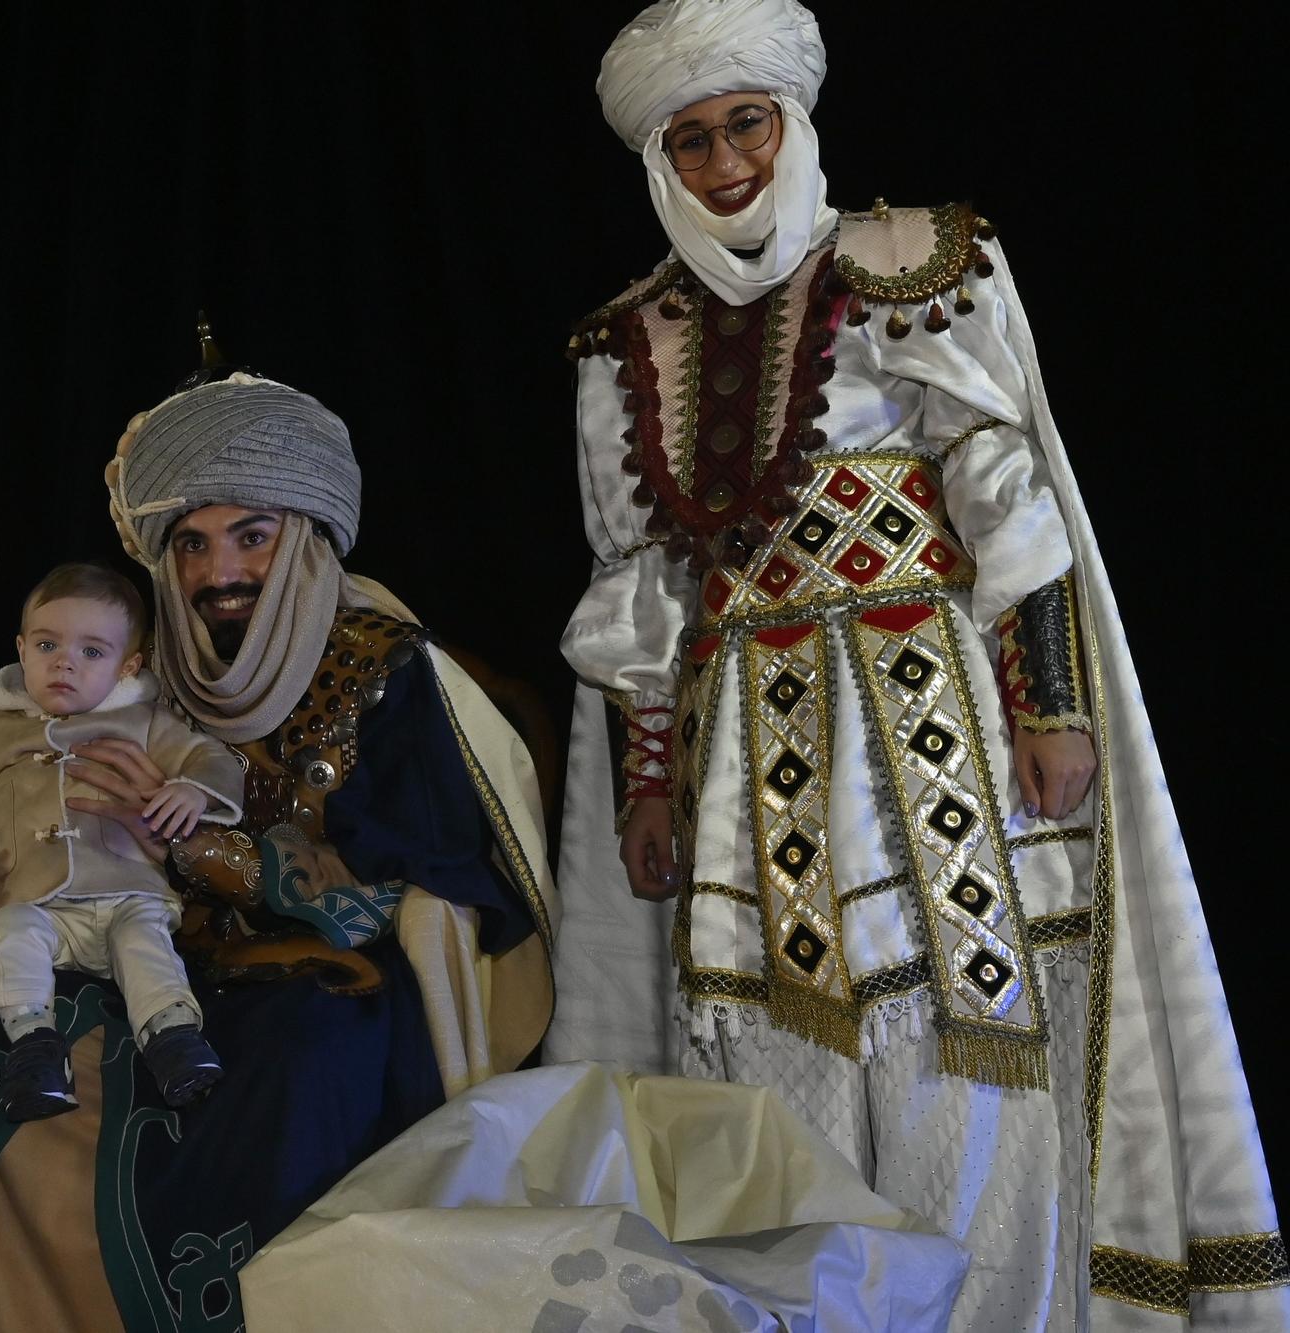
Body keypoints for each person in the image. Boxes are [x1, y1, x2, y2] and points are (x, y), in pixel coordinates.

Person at [547, 2, 1286, 1327]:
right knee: (762, 1062)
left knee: (973, 1047)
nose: (726, 163)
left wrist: (1052, 707)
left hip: (930, 719)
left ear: (794, 121)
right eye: (693, 138)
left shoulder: (914, 261)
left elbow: (1009, 499)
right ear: (658, 158)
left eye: (746, 125)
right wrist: (642, 784)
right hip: (737, 770)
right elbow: (635, 591)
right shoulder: (625, 342)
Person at [0, 367, 555, 1331]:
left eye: (250, 535)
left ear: (303, 535)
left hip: (319, 977)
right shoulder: (125, 664)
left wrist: (213, 849)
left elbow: (433, 889)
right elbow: (3, 822)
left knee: (296, 1051)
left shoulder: (386, 670)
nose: (219, 574)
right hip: (131, 946)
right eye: (193, 543)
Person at [0, 562, 244, 1120]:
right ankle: (34, 1046)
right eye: (48, 644)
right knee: (12, 934)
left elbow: (210, 757)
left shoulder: (144, 723)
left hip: (124, 890)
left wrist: (191, 789)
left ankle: (172, 1038)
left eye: (93, 652)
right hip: (30, 900)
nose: (65, 661)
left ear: (126, 667)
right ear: (21, 650)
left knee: (144, 942)